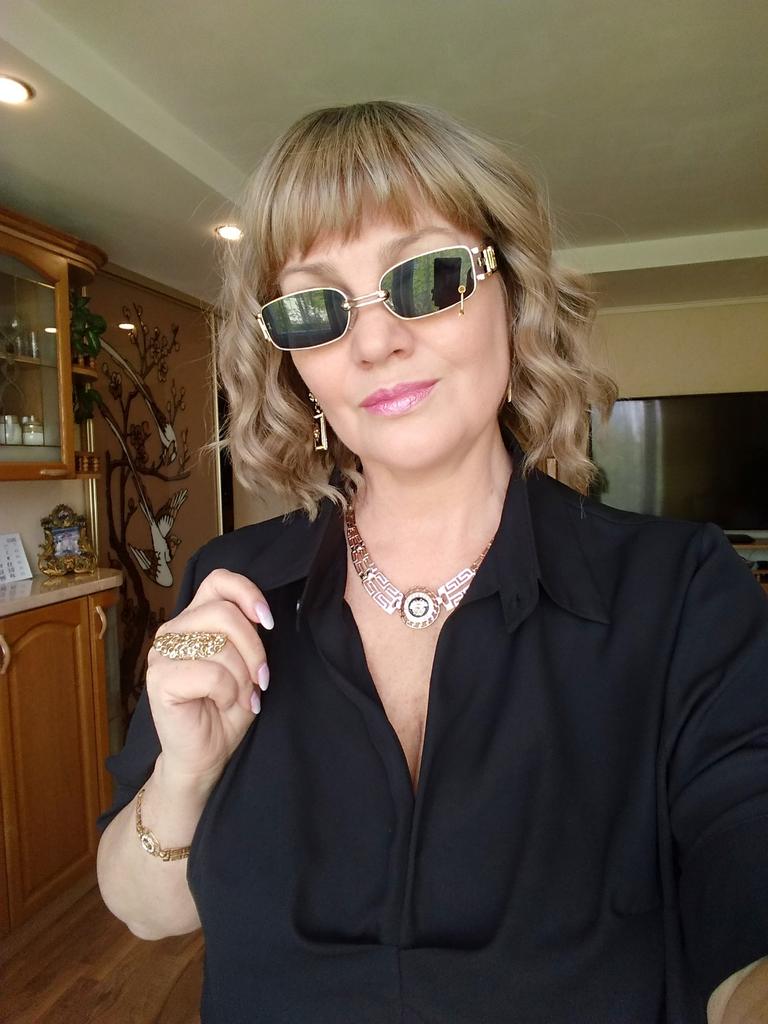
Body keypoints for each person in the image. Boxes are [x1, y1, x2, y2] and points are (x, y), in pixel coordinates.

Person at [95, 101, 768, 1024]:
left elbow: (746, 872)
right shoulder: (232, 586)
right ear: (294, 361)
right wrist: (185, 774)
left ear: (512, 294)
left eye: (428, 276)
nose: (374, 341)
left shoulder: (681, 589)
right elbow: (147, 912)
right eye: (316, 307)